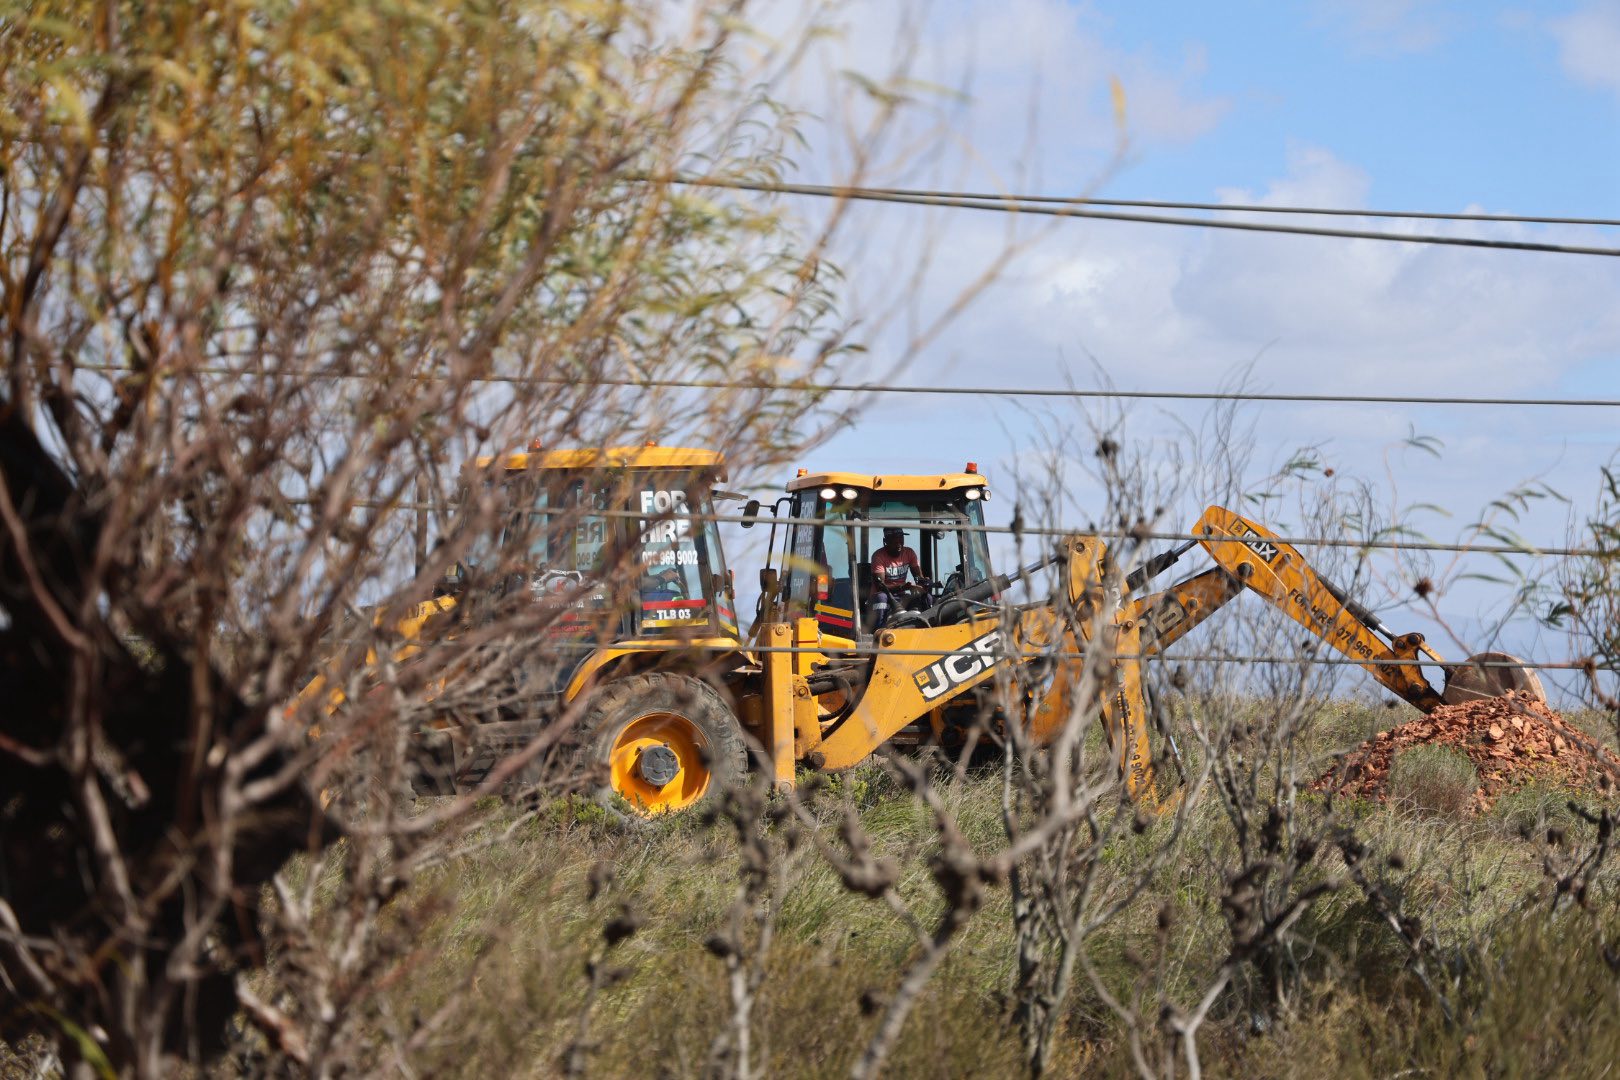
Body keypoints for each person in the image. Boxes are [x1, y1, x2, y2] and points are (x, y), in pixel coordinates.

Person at [867, 526, 928, 628]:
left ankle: (921, 626)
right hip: (882, 596)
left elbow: (918, 577)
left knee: (925, 597)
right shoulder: (878, 556)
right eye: (894, 540)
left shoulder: (909, 553)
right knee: (881, 597)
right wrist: (903, 587)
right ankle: (878, 630)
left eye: (901, 538)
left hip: (901, 596)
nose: (899, 543)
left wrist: (924, 583)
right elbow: (880, 586)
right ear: (885, 541)